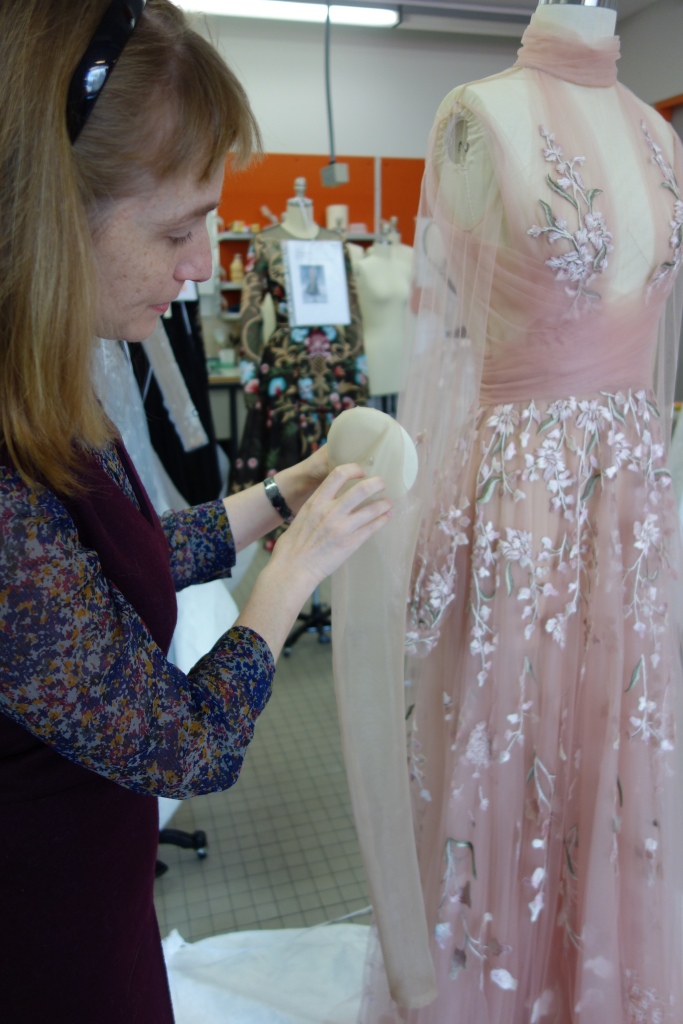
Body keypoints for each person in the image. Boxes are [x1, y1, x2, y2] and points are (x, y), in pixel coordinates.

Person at [0, 3, 391, 1021]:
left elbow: (116, 557)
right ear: (46, 215)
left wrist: (277, 495)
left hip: (99, 897)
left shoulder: (49, 386)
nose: (204, 263)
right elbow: (183, 742)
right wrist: (293, 569)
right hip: (42, 940)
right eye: (178, 229)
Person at [350, 2, 683, 1022]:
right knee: (512, 765)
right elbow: (443, 340)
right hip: (523, 500)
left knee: (617, 765)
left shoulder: (656, 131)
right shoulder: (474, 116)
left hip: (629, 495)